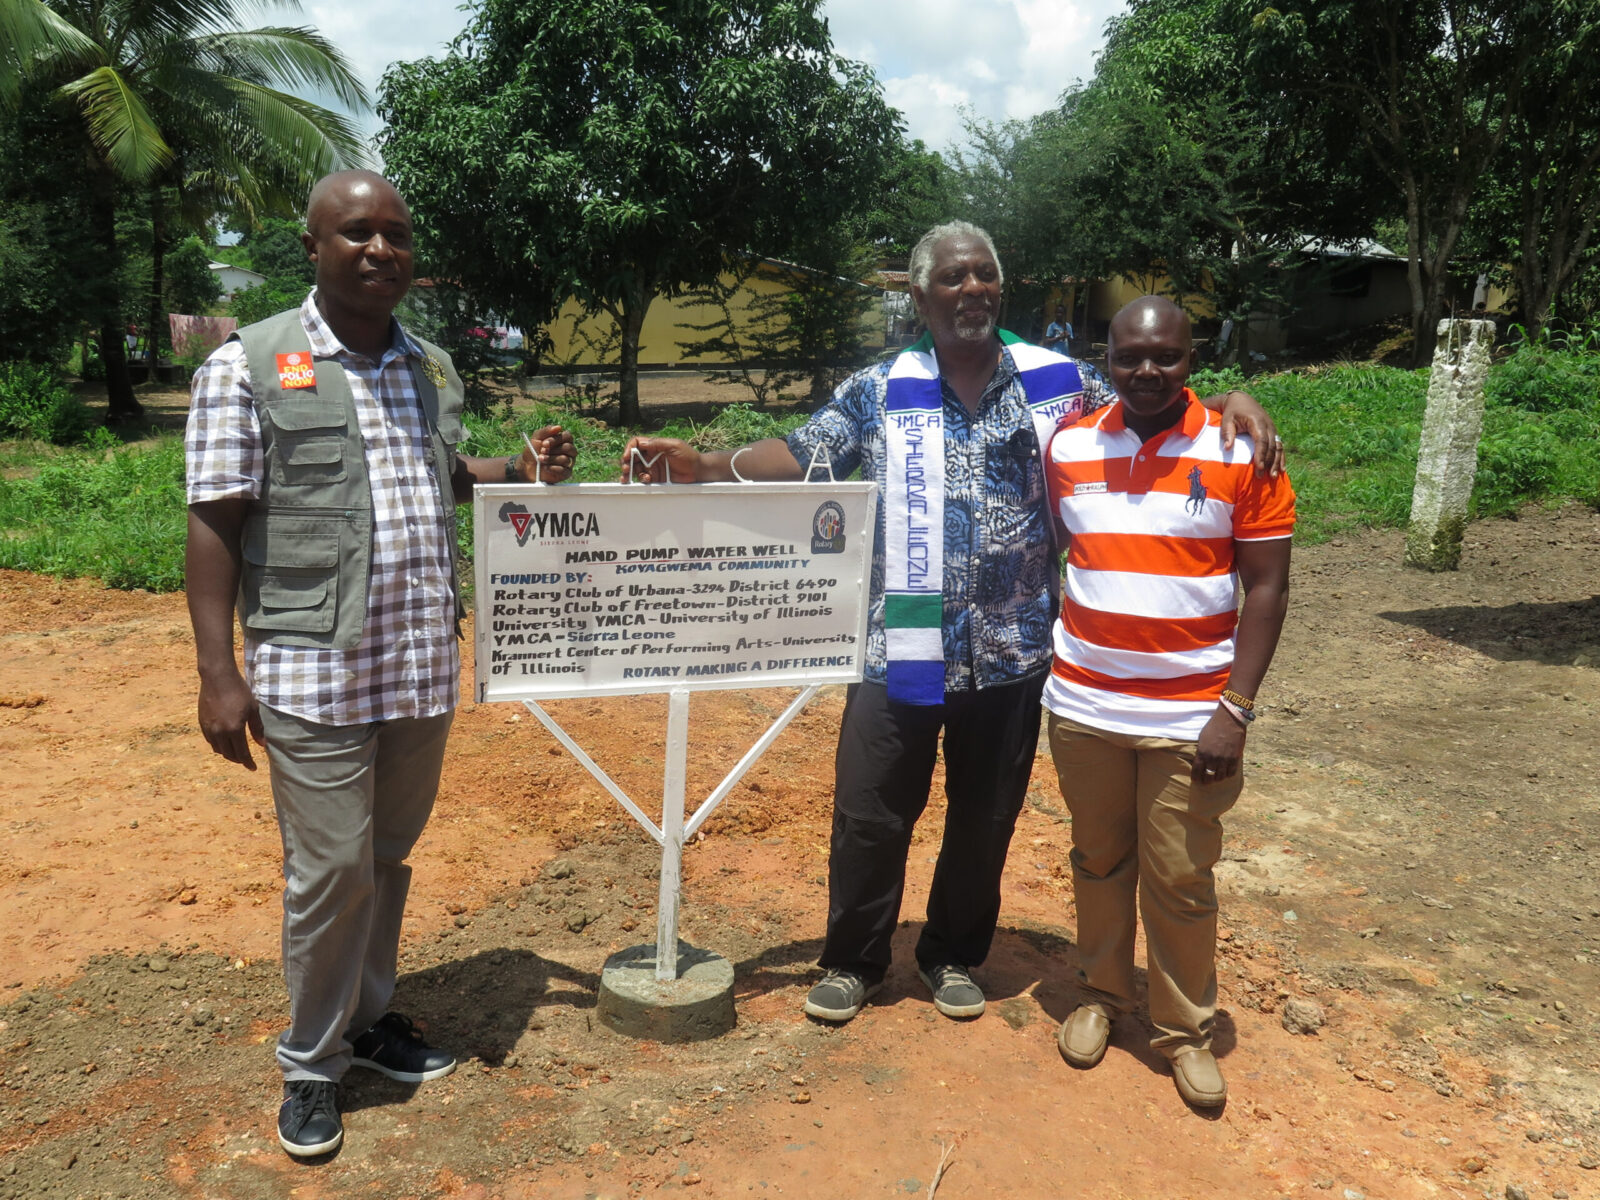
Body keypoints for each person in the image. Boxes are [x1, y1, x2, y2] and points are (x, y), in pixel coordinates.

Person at [619, 222, 1283, 1025]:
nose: (973, 291)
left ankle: (952, 953)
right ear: (919, 294)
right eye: (953, 279)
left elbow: (1150, 399)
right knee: (869, 811)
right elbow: (803, 452)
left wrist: (1226, 400)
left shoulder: (1056, 383)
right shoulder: (880, 386)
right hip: (895, 646)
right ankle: (854, 961)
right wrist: (704, 466)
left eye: (985, 277)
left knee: (985, 817)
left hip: (1012, 654)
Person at [183, 169, 574, 1159]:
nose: (378, 249)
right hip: (311, 667)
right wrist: (217, 672)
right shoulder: (248, 366)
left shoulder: (428, 367)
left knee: (384, 863)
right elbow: (215, 522)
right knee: (328, 872)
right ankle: (311, 1068)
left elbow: (443, 476)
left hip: (416, 667)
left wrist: (515, 473)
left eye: (395, 233)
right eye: (355, 232)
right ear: (312, 246)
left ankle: (366, 1022)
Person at [1044, 296, 1294, 1107]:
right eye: (1129, 357)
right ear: (1105, 359)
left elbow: (1267, 587)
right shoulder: (1070, 445)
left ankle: (1184, 1029)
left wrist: (1238, 709)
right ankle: (1102, 996)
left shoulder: (1240, 450)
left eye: (1167, 356)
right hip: (1083, 706)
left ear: (1195, 359)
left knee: (1182, 877)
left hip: (1193, 716)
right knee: (1098, 860)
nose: (1147, 371)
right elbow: (1071, 551)